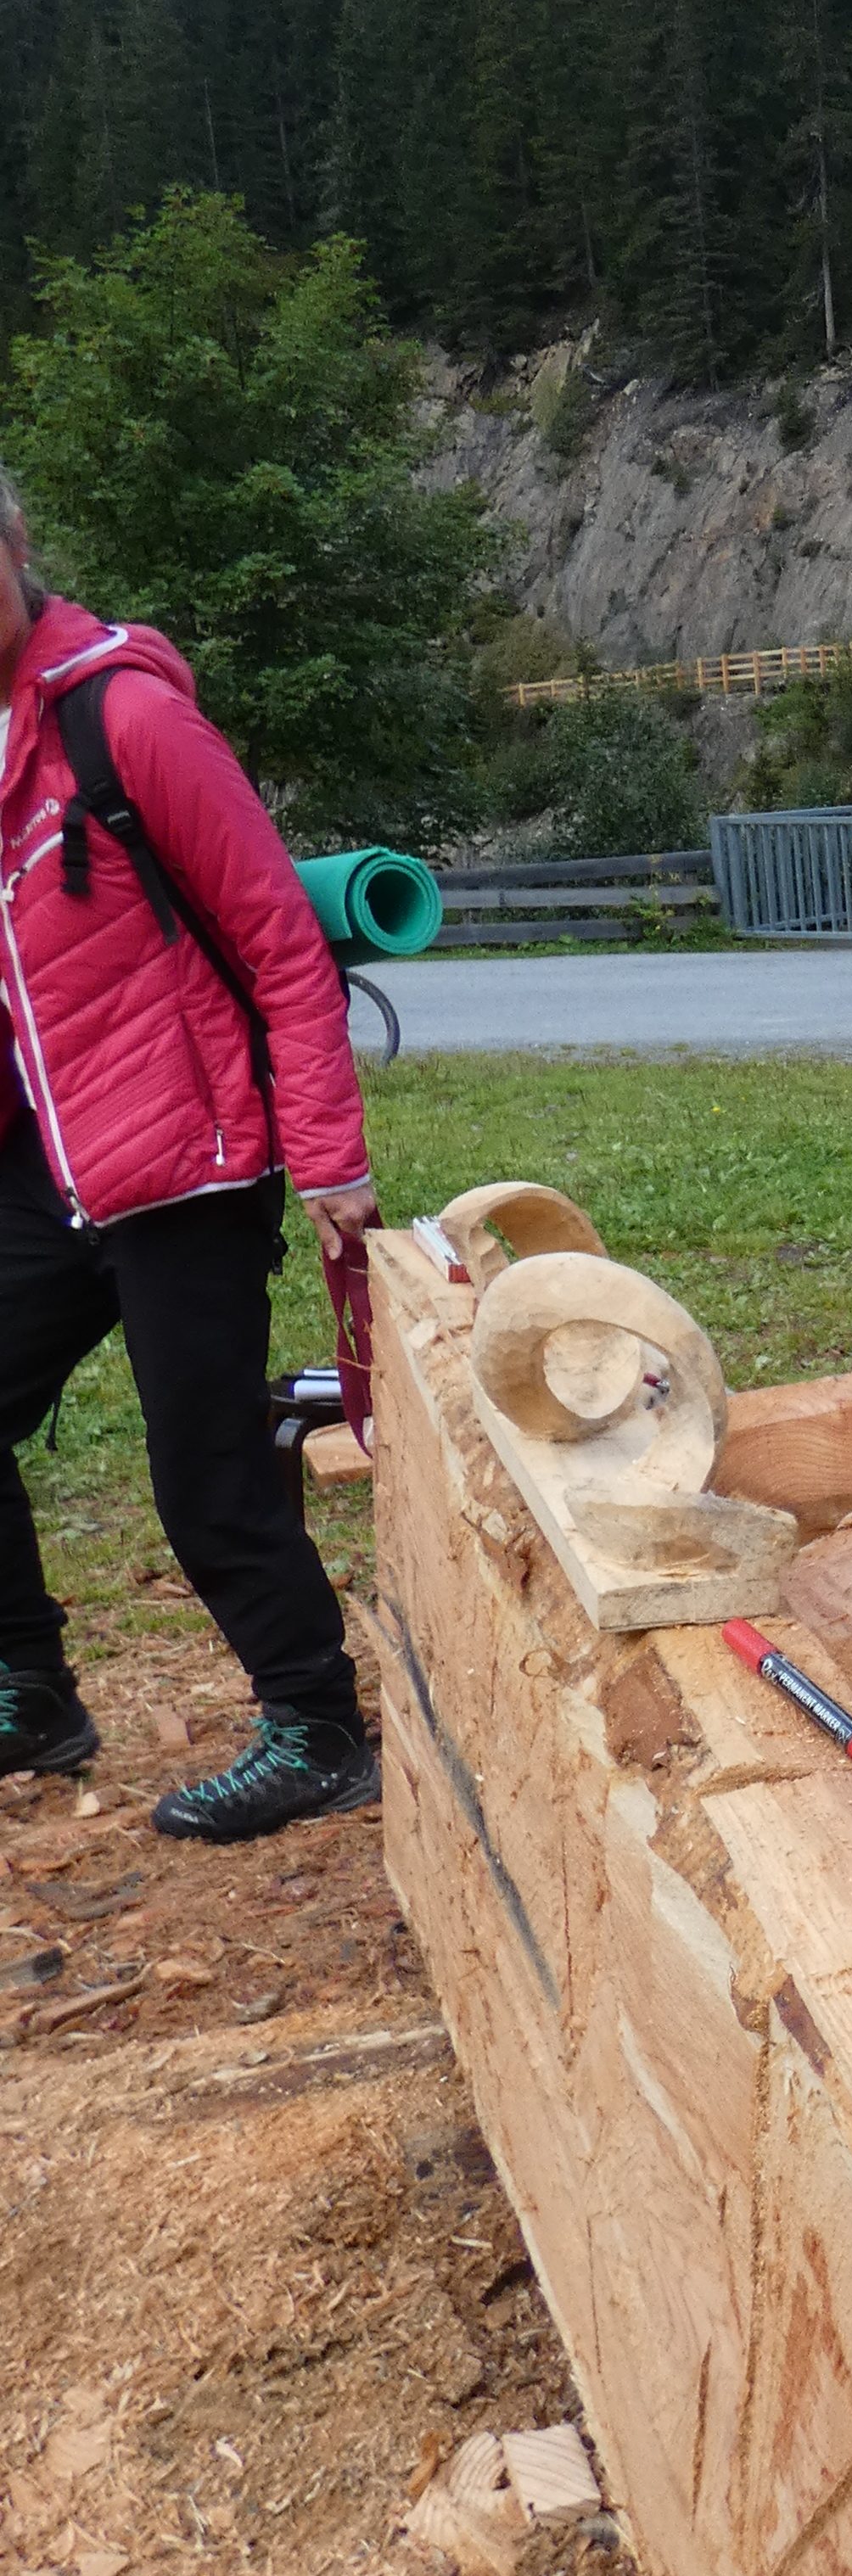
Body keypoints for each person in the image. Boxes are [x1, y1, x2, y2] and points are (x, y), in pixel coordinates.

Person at [0, 467, 383, 1840]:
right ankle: (32, 1693)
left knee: (204, 1464)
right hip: (53, 1156)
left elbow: (282, 940)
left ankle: (315, 1726)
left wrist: (331, 1158)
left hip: (190, 1154)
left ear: (19, 547)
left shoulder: (128, 717)